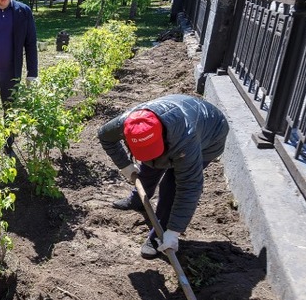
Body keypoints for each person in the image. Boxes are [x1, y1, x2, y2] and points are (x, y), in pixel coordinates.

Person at [97, 94, 229, 259]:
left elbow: (189, 186)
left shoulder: (185, 140)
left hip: (211, 133)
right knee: (149, 167)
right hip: (180, 117)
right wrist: (125, 165)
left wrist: (174, 230)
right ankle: (138, 200)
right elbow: (104, 136)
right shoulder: (128, 122)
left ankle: (160, 234)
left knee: (170, 186)